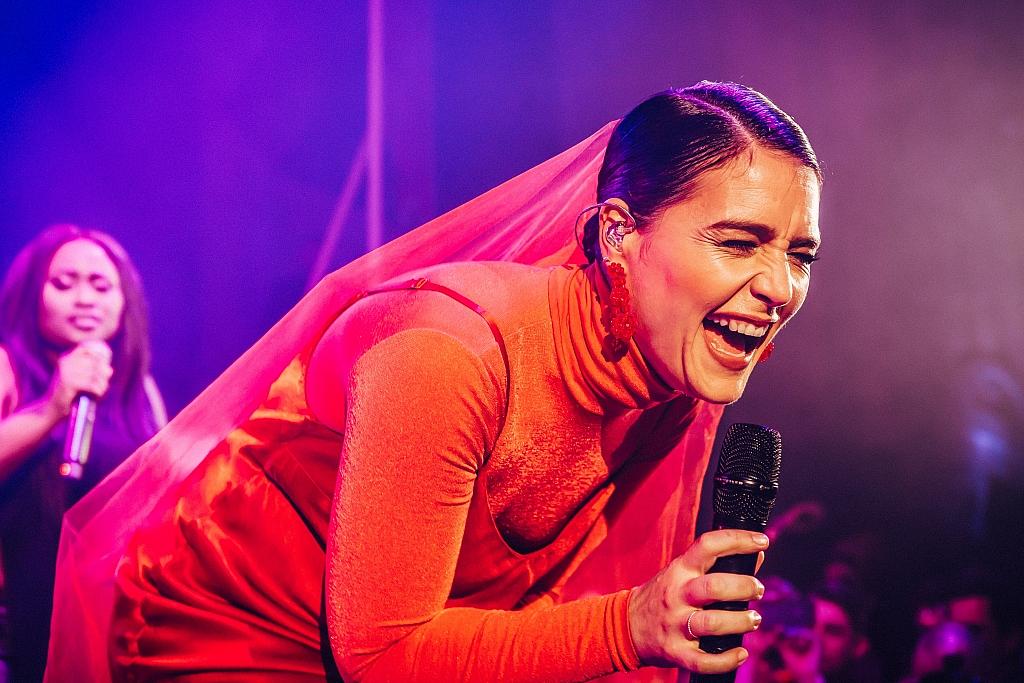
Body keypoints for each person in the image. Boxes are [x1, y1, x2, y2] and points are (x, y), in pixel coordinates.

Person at [48, 81, 822, 682]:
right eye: (739, 241)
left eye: (799, 255)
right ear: (620, 233)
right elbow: (383, 656)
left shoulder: (673, 371)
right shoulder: (444, 351)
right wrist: (629, 626)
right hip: (228, 640)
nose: (780, 287)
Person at [0, 225, 166, 682]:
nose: (85, 298)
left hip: (116, 611)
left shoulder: (138, 388)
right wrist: (53, 408)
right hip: (26, 614)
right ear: (33, 295)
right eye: (63, 283)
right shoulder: (7, 367)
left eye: (100, 285)